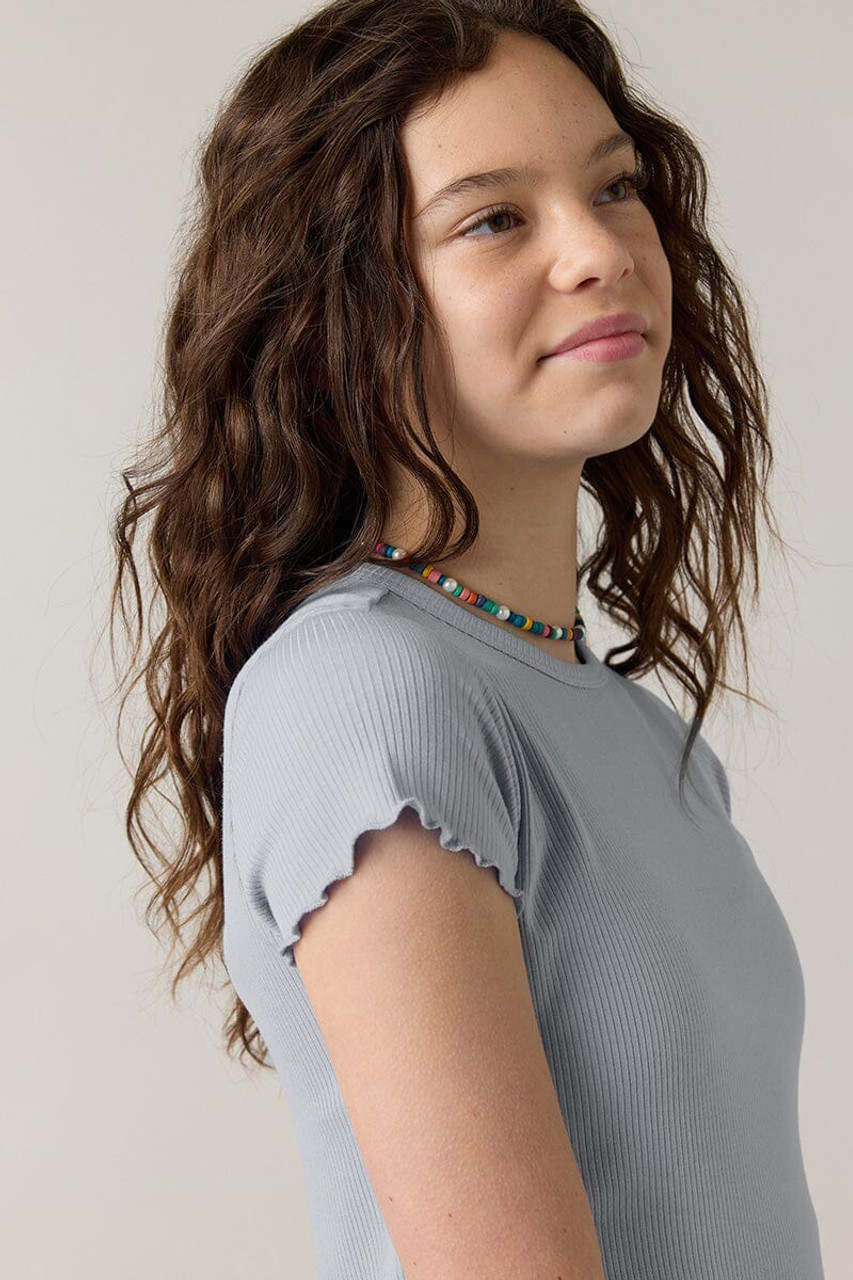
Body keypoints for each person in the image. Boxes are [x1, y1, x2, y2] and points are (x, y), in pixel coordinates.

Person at [108, 2, 825, 1278]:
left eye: (613, 187)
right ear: (336, 309)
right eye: (494, 218)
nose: (599, 250)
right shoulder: (365, 690)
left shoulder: (631, 727)